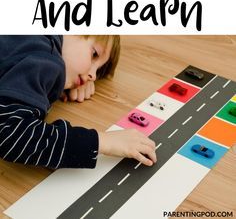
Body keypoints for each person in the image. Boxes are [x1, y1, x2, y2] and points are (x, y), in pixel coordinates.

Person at [0, 35, 156, 169]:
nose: (93, 76)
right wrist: (102, 141)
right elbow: (11, 134)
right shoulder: (46, 58)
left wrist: (61, 82)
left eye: (98, 70)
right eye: (94, 54)